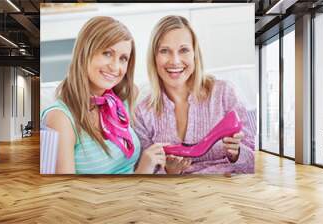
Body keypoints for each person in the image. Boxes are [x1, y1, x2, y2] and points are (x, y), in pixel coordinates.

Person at [41, 16, 167, 174]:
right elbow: (64, 194)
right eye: (107, 53)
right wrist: (143, 171)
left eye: (123, 58)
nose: (115, 67)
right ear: (85, 52)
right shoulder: (60, 119)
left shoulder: (123, 100)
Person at [134, 15, 255, 174]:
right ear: (154, 57)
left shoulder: (224, 93)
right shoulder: (143, 112)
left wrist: (237, 154)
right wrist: (170, 173)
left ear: (194, 55)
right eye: (165, 51)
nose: (175, 61)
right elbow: (145, 172)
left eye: (183, 50)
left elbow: (254, 161)